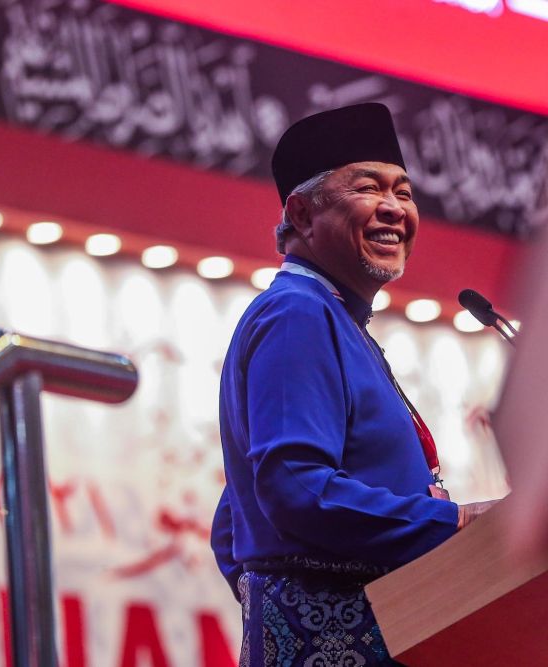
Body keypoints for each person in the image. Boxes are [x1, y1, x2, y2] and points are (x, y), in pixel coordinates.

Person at [211, 103, 496, 667]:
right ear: (301, 212)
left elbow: (232, 523)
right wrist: (454, 521)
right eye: (369, 189)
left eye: (405, 192)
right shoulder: (297, 313)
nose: (394, 208)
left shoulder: (338, 320)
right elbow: (298, 488)